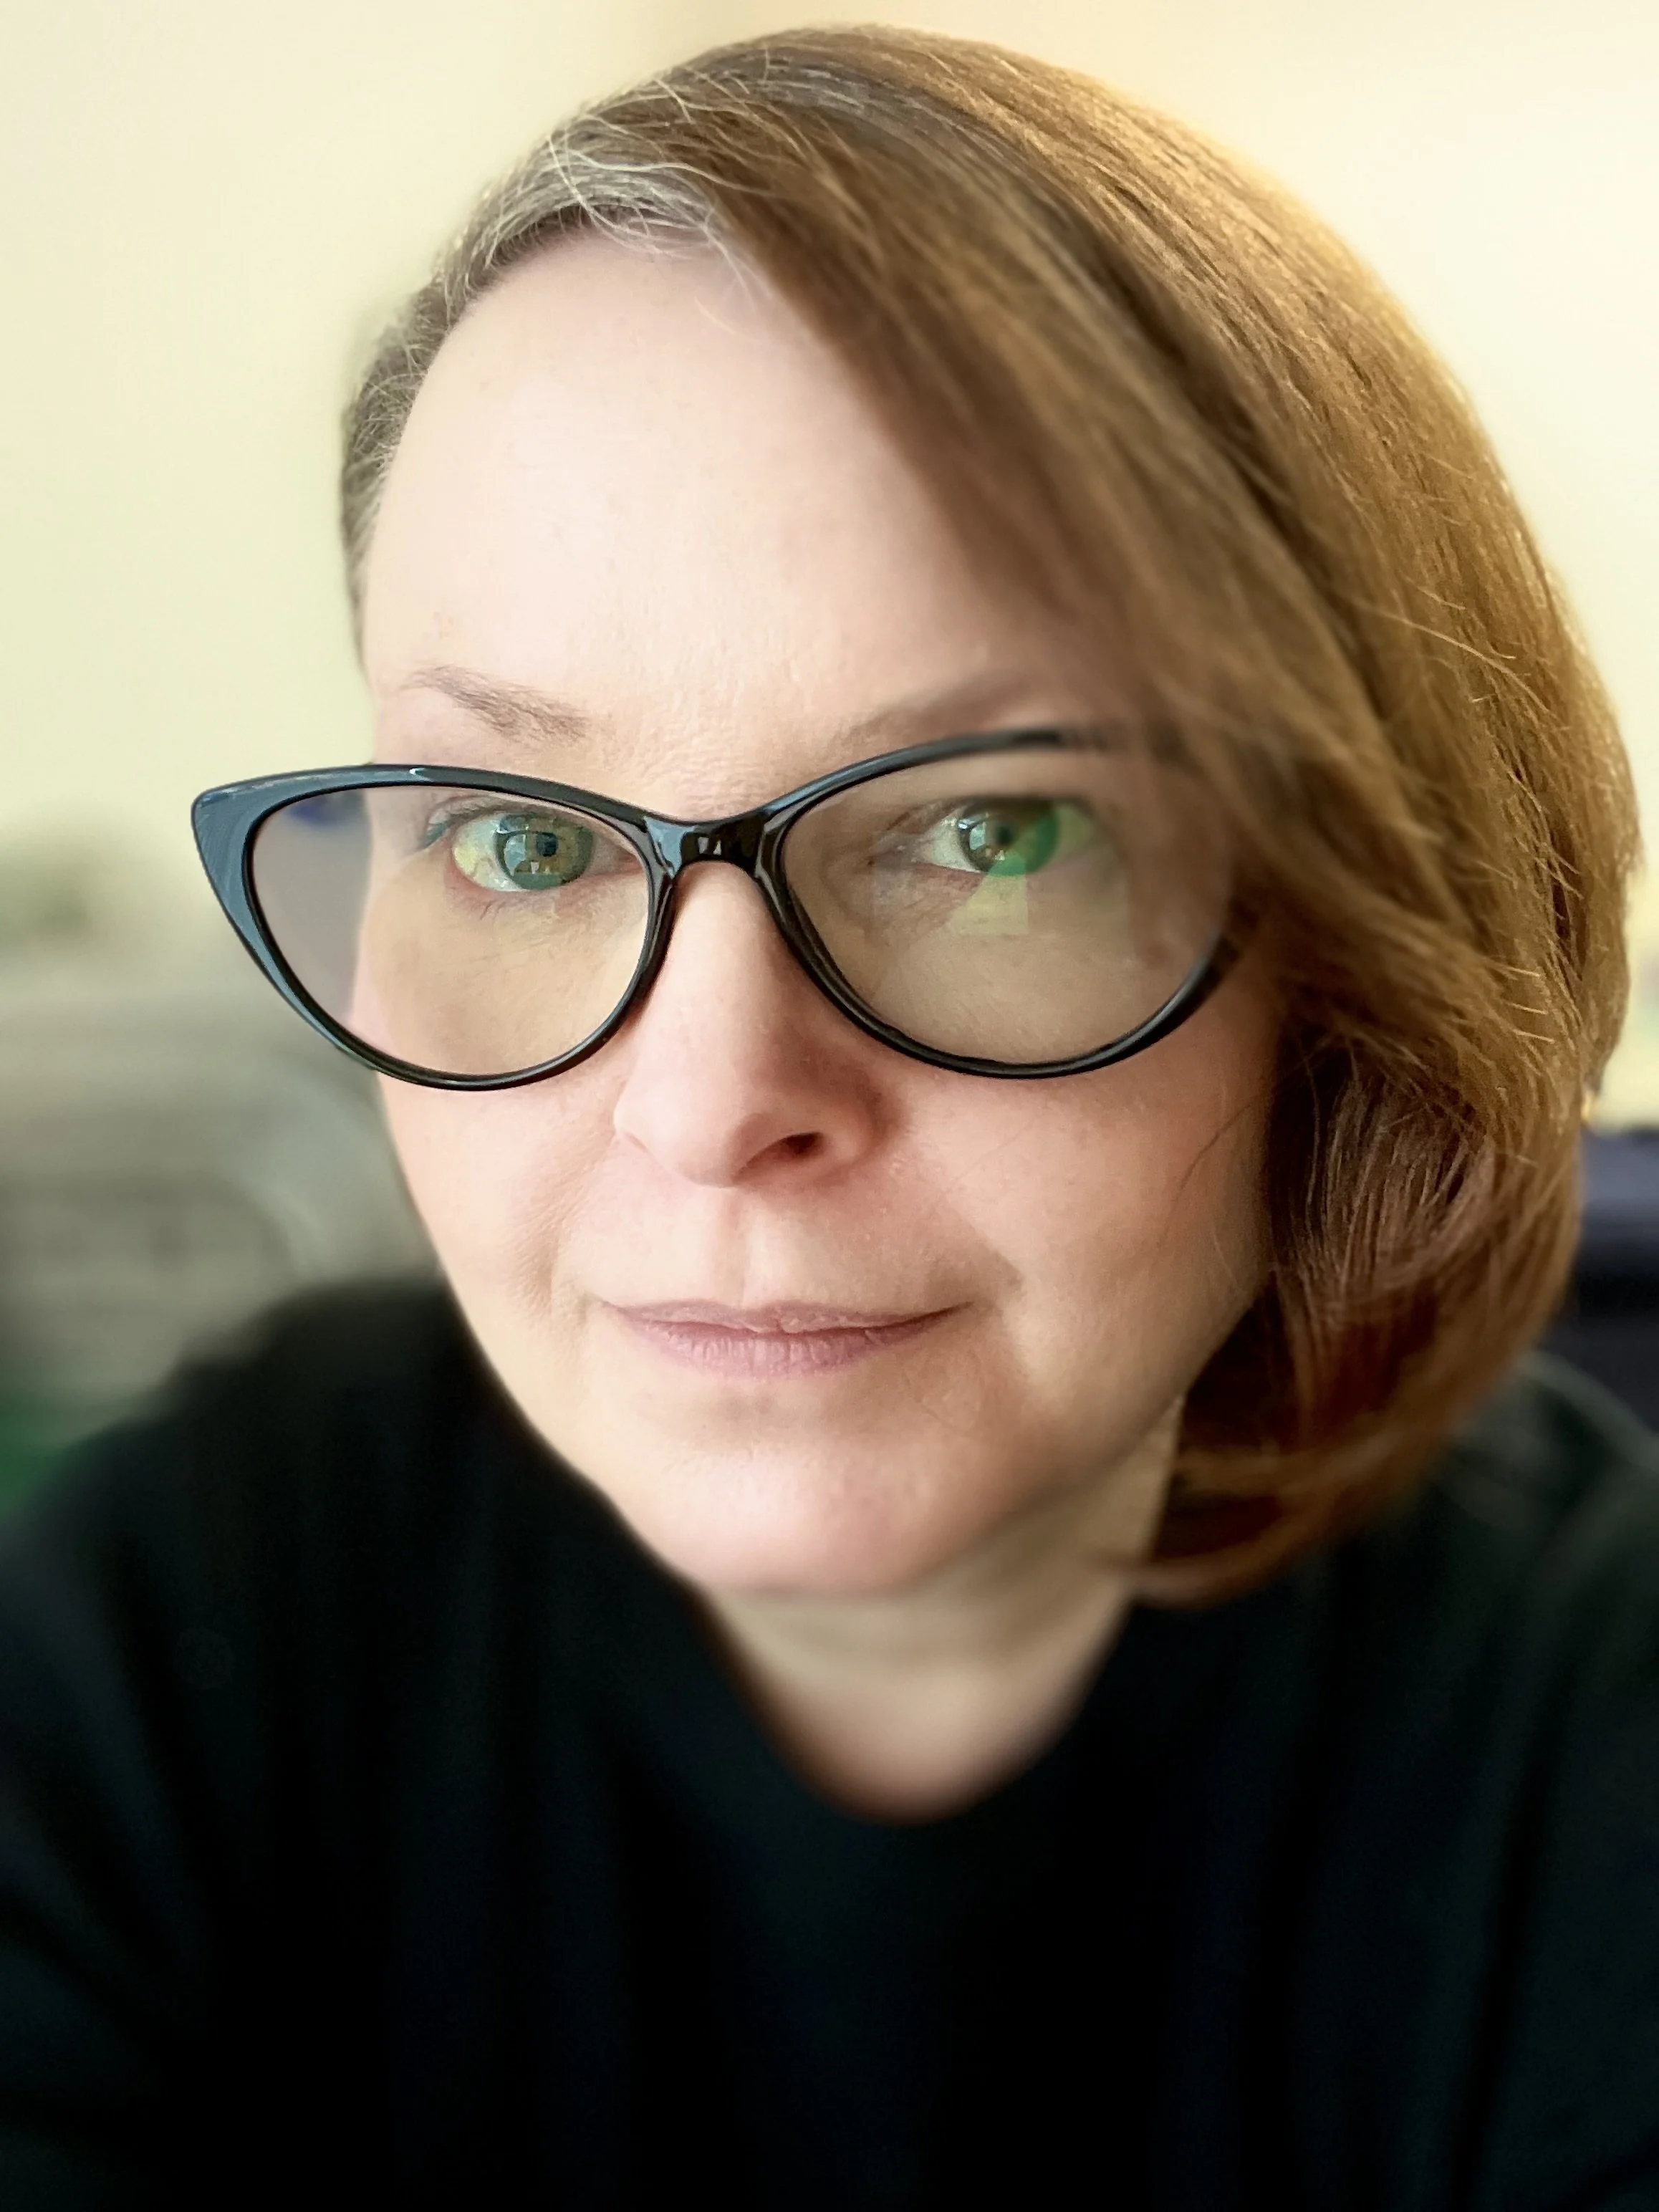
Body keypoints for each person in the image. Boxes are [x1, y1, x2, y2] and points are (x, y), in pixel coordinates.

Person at [1, 23, 1655, 2208]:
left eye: (987, 838)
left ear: (1354, 936)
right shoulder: (180, 1620)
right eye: (518, 839)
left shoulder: (1589, 1737)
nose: (705, 1107)